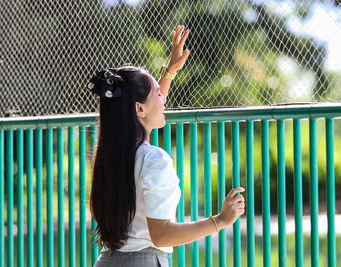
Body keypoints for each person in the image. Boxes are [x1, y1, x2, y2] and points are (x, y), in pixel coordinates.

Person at [88, 25, 245, 267]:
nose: (164, 101)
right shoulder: (153, 159)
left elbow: (143, 112)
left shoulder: (109, 155)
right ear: (139, 109)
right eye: (159, 95)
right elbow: (160, 235)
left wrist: (170, 71)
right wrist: (220, 221)